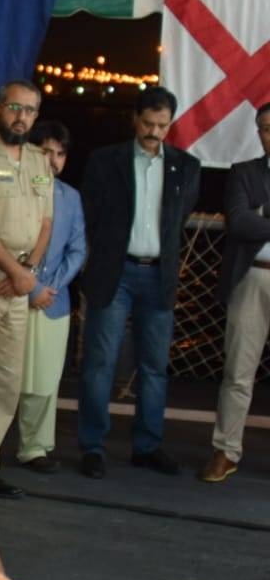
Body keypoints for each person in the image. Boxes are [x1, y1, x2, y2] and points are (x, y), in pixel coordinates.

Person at [77, 86, 201, 479]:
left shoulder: (187, 166)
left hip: (158, 275)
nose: (154, 132)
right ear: (135, 118)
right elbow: (91, 216)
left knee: (154, 367)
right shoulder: (103, 161)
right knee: (100, 363)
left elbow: (179, 219)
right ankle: (92, 447)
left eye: (162, 125)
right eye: (148, 123)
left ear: (171, 124)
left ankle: (148, 446)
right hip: (115, 272)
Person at [0, 80, 54, 499]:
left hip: (20, 280)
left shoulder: (39, 159)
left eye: (30, 110)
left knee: (4, 378)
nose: (21, 116)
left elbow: (46, 222)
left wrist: (28, 270)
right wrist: (14, 271)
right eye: (14, 107)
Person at [201, 103, 270, 483]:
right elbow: (239, 221)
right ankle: (226, 450)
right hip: (252, 279)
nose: (269, 134)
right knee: (238, 372)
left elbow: (253, 218)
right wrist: (255, 217)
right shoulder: (243, 173)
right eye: (264, 128)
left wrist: (262, 213)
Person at [15, 121, 87, 471]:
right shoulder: (11, 190)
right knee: (1, 377)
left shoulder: (70, 197)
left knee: (43, 381)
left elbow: (77, 249)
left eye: (60, 153)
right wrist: (29, 288)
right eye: (46, 151)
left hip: (52, 300)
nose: (53, 160)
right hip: (10, 294)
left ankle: (35, 448)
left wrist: (48, 288)